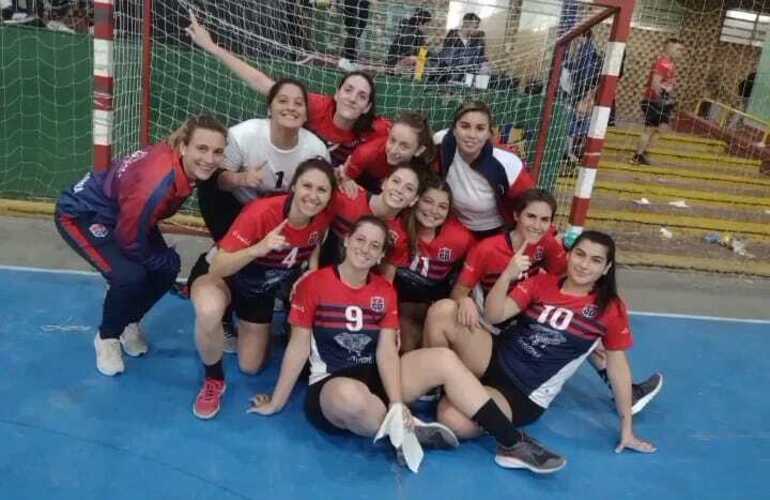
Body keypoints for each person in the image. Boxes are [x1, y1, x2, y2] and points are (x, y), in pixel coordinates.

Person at [425, 231, 657, 470]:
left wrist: (627, 428)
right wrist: (507, 275)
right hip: (495, 357)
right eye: (580, 254)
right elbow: (494, 316)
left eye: (596, 260)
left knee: (452, 419)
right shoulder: (543, 282)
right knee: (444, 311)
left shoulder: (609, 309)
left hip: (524, 394)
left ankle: (461, 388)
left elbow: (617, 369)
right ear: (569, 255)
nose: (584, 264)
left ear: (606, 268)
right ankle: (445, 386)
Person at [425, 189, 663, 414]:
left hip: (527, 319)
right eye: (531, 216)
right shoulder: (488, 248)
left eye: (544, 219)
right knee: (444, 311)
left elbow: (571, 282)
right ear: (517, 215)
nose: (536, 225)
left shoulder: (548, 245)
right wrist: (463, 301)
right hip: (495, 319)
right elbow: (459, 291)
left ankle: (625, 391)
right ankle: (437, 383)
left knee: (584, 326)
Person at [248, 216, 452, 444]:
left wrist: (397, 401)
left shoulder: (384, 290)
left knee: (444, 360)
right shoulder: (314, 283)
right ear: (346, 240)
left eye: (375, 246)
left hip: (373, 380)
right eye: (360, 239)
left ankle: (401, 424)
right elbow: (298, 348)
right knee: (350, 397)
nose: (365, 249)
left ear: (381, 255)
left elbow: (386, 352)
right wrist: (276, 402)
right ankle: (406, 431)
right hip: (331, 385)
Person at [54, 115, 228, 376]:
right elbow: (129, 239)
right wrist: (159, 260)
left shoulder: (182, 164)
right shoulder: (156, 185)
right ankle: (107, 337)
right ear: (183, 146)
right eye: (202, 149)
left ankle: (128, 322)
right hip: (84, 213)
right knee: (130, 276)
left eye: (217, 152)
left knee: (167, 271)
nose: (210, 158)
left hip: (125, 212)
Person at [187, 79, 330, 352]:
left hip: (282, 216)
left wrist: (313, 268)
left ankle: (279, 292)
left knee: (251, 363)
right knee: (212, 192)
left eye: (298, 103)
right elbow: (215, 177)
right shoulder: (245, 134)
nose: (291, 107)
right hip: (239, 208)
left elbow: (319, 210)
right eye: (283, 101)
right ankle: (212, 267)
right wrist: (242, 178)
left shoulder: (315, 149)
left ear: (306, 113)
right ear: (270, 108)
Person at [190, 159, 337, 419]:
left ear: (329, 196)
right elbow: (219, 267)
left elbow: (315, 242)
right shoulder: (262, 213)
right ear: (293, 186)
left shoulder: (323, 217)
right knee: (209, 309)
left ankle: (250, 325)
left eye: (322, 190)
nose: (313, 196)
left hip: (260, 287)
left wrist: (312, 269)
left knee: (251, 366)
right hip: (225, 275)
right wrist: (258, 248)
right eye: (307, 186)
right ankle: (213, 379)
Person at [186, 11, 389, 167]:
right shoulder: (314, 106)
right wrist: (212, 48)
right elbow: (261, 82)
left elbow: (410, 136)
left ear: (366, 107)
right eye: (348, 90)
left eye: (361, 96)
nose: (352, 98)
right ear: (336, 94)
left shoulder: (375, 130)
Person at [396, 175, 475, 352]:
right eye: (428, 201)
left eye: (442, 207)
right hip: (398, 306)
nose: (433, 211)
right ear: (416, 200)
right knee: (406, 340)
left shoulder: (460, 238)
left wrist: (466, 298)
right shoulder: (398, 226)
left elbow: (477, 266)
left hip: (433, 308)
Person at [434, 101, 535, 237]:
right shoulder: (442, 143)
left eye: (480, 128)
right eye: (465, 126)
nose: (471, 135)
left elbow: (534, 204)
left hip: (497, 231)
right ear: (454, 129)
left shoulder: (508, 164)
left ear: (489, 133)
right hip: (455, 224)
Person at [323, 164, 424, 279]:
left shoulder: (401, 237)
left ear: (414, 200)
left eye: (409, 188)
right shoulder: (349, 197)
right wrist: (338, 174)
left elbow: (386, 280)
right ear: (384, 183)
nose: (399, 190)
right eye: (396, 181)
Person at [339, 111, 434, 194]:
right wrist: (347, 179)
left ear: (419, 150)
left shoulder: (422, 165)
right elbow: (346, 178)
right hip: (361, 168)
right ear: (389, 132)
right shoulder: (366, 154)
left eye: (404, 146)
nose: (393, 150)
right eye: (392, 140)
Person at [632, 38, 684, 166]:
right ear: (668, 48)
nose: (680, 52)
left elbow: (667, 84)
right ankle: (638, 156)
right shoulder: (662, 63)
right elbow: (655, 83)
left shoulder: (670, 64)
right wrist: (663, 100)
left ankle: (643, 153)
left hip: (662, 101)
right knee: (649, 129)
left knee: (662, 128)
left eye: (681, 50)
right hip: (655, 101)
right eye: (677, 49)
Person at [435, 13, 488, 85]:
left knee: (485, 71)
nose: (477, 29)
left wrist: (484, 64)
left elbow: (479, 57)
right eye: (475, 27)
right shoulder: (453, 37)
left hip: (467, 77)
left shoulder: (475, 41)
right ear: (467, 24)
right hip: (449, 77)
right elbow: (447, 59)